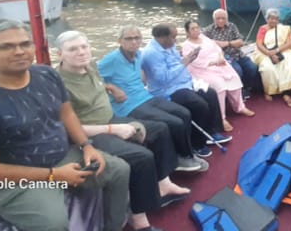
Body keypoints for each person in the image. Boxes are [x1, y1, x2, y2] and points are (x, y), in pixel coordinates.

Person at [0, 19, 130, 231]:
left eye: (25, 44)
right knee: (52, 224)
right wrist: (54, 175)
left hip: (63, 157)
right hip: (14, 181)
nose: (19, 51)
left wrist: (86, 145)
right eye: (6, 46)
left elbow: (67, 113)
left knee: (119, 170)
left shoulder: (46, 75)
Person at [55, 31, 191, 231]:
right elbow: (68, 127)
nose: (81, 52)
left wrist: (110, 87)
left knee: (160, 130)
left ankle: (163, 182)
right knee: (141, 156)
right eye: (73, 49)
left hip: (111, 118)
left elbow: (99, 82)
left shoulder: (90, 66)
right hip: (90, 132)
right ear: (60, 54)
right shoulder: (58, 84)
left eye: (84, 47)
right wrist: (114, 129)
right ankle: (139, 220)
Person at [98, 26, 209, 166]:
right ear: (120, 41)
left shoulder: (139, 54)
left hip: (145, 96)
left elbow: (146, 73)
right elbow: (90, 77)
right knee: (174, 122)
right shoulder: (112, 59)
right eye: (128, 39)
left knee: (184, 113)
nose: (133, 42)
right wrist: (111, 87)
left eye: (137, 38)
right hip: (128, 105)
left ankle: (187, 152)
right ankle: (181, 158)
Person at [141, 24, 232, 152]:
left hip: (184, 83)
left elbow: (177, 63)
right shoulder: (151, 54)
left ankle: (210, 132)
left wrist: (188, 58)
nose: (175, 40)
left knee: (211, 93)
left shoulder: (169, 46)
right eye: (173, 37)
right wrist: (185, 62)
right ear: (163, 38)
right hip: (168, 90)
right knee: (199, 104)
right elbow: (163, 78)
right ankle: (197, 143)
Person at [182, 20, 255, 132]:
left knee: (234, 78)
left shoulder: (204, 38)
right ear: (187, 32)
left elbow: (217, 47)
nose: (196, 30)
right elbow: (195, 62)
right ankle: (222, 118)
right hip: (202, 69)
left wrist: (221, 57)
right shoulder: (187, 45)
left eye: (197, 27)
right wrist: (214, 62)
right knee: (219, 86)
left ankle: (239, 107)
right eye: (192, 29)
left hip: (219, 63)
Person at [253, 8, 291, 107]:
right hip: (265, 52)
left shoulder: (284, 29)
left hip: (282, 50)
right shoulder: (263, 29)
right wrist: (269, 53)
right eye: (271, 18)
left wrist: (276, 51)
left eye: (275, 19)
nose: (273, 21)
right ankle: (268, 91)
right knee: (267, 69)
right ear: (267, 19)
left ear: (278, 20)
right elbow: (259, 44)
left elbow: (288, 44)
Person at [203, 9, 261, 97]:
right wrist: (217, 44)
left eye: (223, 18)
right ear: (214, 19)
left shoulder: (232, 26)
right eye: (218, 18)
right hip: (225, 57)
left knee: (252, 67)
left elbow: (240, 42)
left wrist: (226, 43)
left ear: (226, 18)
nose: (221, 20)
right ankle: (239, 91)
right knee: (238, 70)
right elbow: (204, 43)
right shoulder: (208, 30)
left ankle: (247, 87)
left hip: (238, 54)